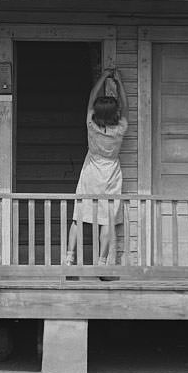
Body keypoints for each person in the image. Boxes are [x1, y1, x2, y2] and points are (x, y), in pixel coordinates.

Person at [64, 67, 128, 266]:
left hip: (92, 169)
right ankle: (101, 261)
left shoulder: (92, 124)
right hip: (111, 173)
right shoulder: (120, 128)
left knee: (79, 215)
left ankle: (69, 257)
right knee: (107, 218)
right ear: (114, 112)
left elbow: (91, 98)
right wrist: (119, 83)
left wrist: (102, 78)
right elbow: (126, 107)